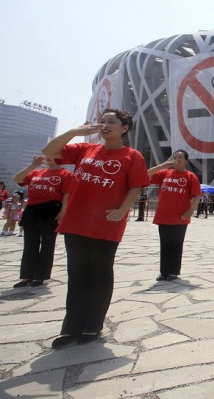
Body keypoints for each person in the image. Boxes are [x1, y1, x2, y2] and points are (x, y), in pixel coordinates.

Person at [42, 109, 149, 348]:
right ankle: (71, 327)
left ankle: (93, 325)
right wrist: (73, 132)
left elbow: (136, 187)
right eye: (102, 121)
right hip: (77, 221)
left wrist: (122, 210)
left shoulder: (132, 156)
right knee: (77, 274)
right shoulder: (84, 150)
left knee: (100, 274)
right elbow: (48, 152)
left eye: (112, 121)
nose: (105, 125)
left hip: (106, 222)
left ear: (124, 128)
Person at [11, 155, 73, 287]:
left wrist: (63, 212)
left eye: (54, 155)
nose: (49, 157)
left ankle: (41, 276)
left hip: (51, 209)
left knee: (47, 244)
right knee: (30, 243)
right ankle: (27, 276)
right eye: (48, 155)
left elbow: (67, 194)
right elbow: (17, 179)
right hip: (32, 209)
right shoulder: (36, 172)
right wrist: (33, 165)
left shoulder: (65, 174)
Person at [147, 149, 202, 281]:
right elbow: (146, 175)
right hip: (163, 215)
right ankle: (164, 271)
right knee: (164, 244)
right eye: (175, 157)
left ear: (186, 161)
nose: (177, 159)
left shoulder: (190, 176)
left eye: (180, 157)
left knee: (176, 244)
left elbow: (197, 195)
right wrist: (162, 166)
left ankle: (173, 271)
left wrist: (190, 211)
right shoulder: (164, 173)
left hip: (180, 217)